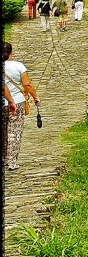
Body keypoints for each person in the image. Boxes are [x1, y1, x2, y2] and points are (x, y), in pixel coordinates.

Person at [3, 41, 40, 171]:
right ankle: (12, 161)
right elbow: (27, 84)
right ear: (11, 53)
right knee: (15, 131)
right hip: (17, 102)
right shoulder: (18, 66)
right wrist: (35, 97)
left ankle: (4, 159)